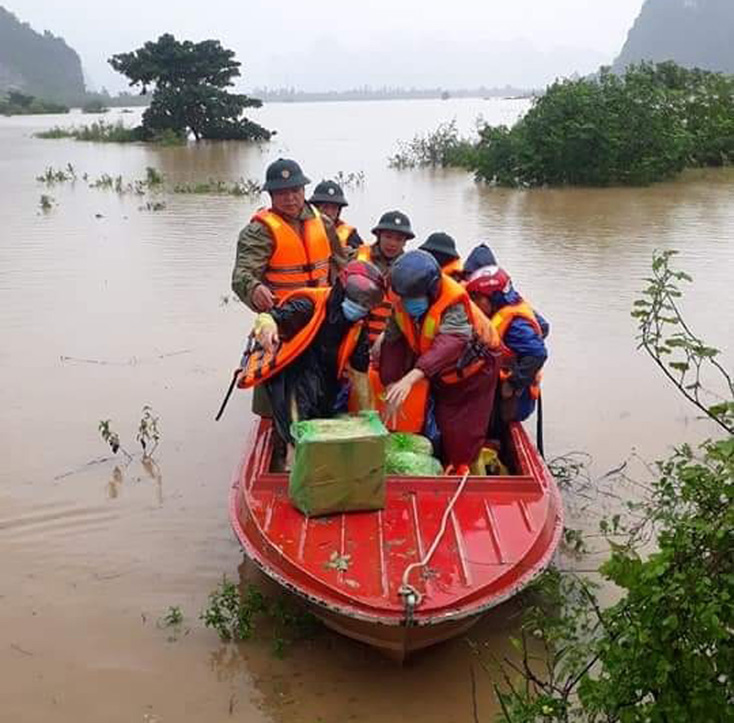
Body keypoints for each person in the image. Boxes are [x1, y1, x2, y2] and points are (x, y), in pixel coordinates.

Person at [231, 158, 350, 422]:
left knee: (327, 378)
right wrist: (254, 288)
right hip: (283, 321)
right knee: (279, 386)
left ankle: (326, 418)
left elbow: (342, 263)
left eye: (295, 191)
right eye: (282, 193)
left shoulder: (323, 223)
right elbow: (242, 275)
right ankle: (276, 432)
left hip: (321, 316)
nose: (290, 198)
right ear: (271, 195)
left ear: (304, 191)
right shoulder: (258, 232)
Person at [238, 260, 386, 454]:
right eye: (357, 297)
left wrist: (369, 416)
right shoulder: (309, 305)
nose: (360, 305)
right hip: (292, 374)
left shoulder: (357, 326)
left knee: (323, 417)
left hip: (325, 378)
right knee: (297, 429)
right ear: (342, 287)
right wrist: (267, 326)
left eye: (367, 302)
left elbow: (360, 373)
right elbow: (271, 317)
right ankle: (291, 456)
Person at [376, 251, 501, 472]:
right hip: (439, 373)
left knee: (464, 435)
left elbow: (451, 342)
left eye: (414, 297)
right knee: (443, 425)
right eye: (405, 298)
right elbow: (394, 342)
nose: (408, 303)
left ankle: (466, 469)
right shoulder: (400, 298)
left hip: (475, 373)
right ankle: (450, 462)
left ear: (432, 289)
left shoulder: (453, 301)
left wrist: (411, 377)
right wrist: (390, 382)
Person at [465, 265, 549, 424]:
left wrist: (512, 383)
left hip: (514, 399)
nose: (474, 305)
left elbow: (538, 353)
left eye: (477, 298)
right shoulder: (506, 308)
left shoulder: (515, 325)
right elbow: (543, 328)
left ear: (495, 297)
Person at [356, 210, 415, 345]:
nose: (392, 243)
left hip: (391, 338)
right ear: (379, 236)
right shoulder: (358, 258)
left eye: (399, 239)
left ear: (405, 242)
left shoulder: (410, 270)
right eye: (388, 237)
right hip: (357, 331)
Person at [308, 180, 363, 249]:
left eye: (334, 208)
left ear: (339, 210)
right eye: (325, 207)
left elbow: (362, 256)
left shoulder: (349, 234)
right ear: (316, 208)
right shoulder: (304, 229)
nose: (329, 212)